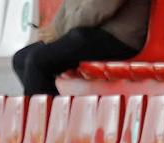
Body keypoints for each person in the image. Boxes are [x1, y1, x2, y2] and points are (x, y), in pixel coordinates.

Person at [12, 0, 149, 97]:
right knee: (21, 58)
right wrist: (56, 30)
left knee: (39, 60)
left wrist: (61, 31)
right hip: (88, 34)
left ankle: (46, 128)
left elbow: (100, 8)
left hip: (120, 39)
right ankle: (53, 122)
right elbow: (69, 4)